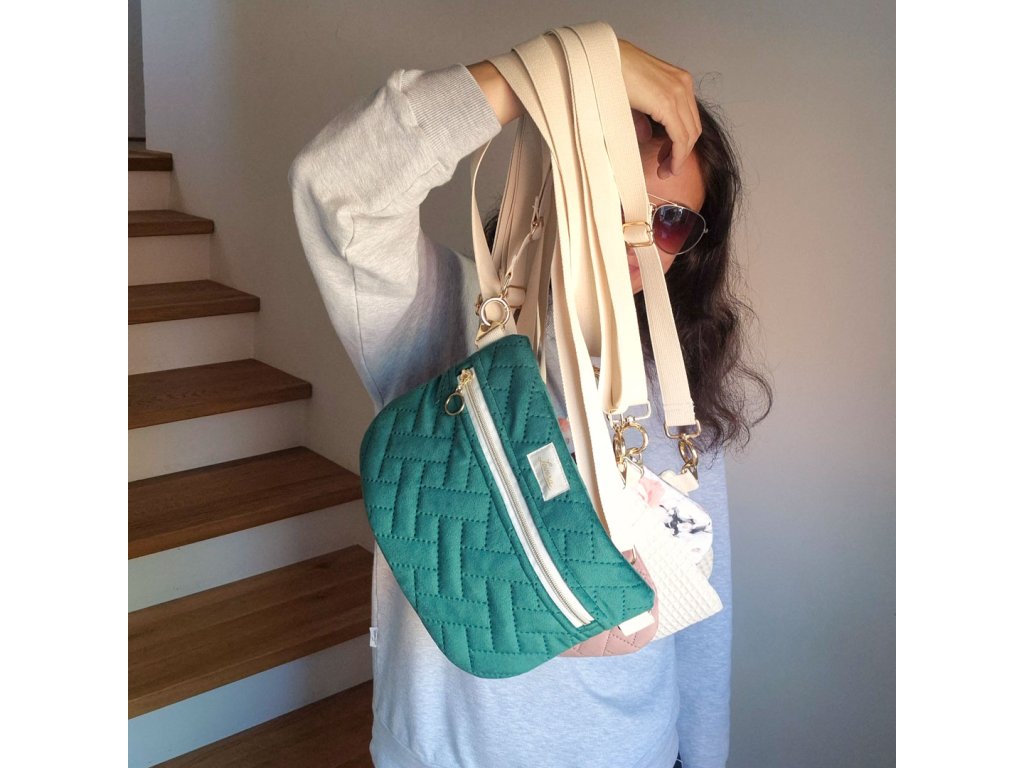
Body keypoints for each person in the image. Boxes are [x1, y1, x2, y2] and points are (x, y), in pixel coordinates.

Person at [288, 28, 771, 768]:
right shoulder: (445, 322)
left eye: (670, 220)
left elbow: (704, 603)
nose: (637, 236)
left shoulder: (678, 387)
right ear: (559, 177)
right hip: (444, 751)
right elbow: (338, 188)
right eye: (613, 192)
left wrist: (706, 757)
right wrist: (561, 67)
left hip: (629, 748)